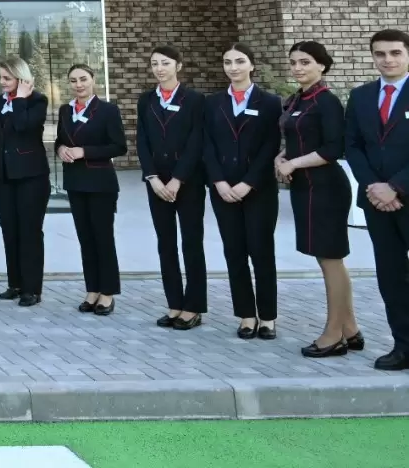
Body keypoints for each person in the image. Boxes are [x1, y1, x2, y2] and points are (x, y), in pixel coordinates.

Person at [275, 40, 362, 358]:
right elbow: (298, 138)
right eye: (294, 62)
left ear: (322, 65)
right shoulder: (297, 98)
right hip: (305, 188)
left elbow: (332, 149)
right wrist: (282, 156)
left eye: (305, 62)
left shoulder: (327, 101)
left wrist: (293, 164)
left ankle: (333, 335)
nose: (298, 68)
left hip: (326, 188)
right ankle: (350, 329)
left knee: (330, 259)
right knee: (329, 259)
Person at [202, 42, 282, 341]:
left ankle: (268, 317)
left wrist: (248, 182)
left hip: (258, 189)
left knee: (262, 252)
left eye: (239, 61)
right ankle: (246, 315)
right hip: (223, 190)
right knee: (234, 252)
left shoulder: (270, 102)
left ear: (251, 65)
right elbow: (206, 145)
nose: (233, 67)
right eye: (227, 62)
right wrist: (219, 182)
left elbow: (270, 146)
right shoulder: (212, 103)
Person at [344, 27, 409, 371]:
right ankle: (404, 346)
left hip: (402, 193)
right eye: (380, 53)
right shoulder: (361, 96)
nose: (388, 60)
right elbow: (352, 145)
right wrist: (374, 186)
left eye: (395, 53)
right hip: (376, 202)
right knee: (391, 275)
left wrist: (395, 187)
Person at [137, 45, 207, 330]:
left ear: (178, 65)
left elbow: (196, 141)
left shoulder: (195, 100)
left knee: (191, 243)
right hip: (157, 184)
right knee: (165, 244)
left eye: (165, 63)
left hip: (187, 182)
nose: (159, 68)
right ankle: (174, 304)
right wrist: (152, 178)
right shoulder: (146, 100)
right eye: (154, 63)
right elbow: (142, 140)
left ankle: (193, 307)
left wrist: (178, 178)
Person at [56, 63, 126, 316]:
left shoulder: (107, 110)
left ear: (93, 80)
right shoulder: (65, 110)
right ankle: (92, 289)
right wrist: (60, 149)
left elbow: (119, 146)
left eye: (83, 79)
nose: (79, 85)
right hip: (75, 183)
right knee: (85, 239)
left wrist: (84, 151)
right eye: (73, 80)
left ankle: (107, 292)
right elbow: (60, 139)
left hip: (100, 184)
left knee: (102, 238)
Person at [0, 56, 49, 307]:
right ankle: (15, 284)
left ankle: (32, 289)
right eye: (0, 77)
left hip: (31, 177)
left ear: (21, 79)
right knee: (9, 230)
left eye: (7, 78)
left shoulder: (38, 101)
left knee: (29, 232)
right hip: (4, 177)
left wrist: (20, 98)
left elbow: (24, 127)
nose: (2, 82)